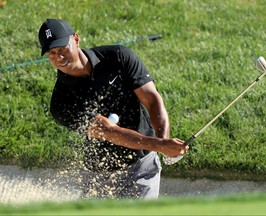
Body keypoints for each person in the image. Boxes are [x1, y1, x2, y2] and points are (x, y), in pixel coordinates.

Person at [38, 18, 189, 199]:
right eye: (51, 53)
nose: (59, 58)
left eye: (62, 49)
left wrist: (164, 141)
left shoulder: (118, 57)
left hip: (142, 167)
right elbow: (108, 131)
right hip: (98, 178)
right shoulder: (61, 103)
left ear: (76, 39)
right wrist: (160, 145)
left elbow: (151, 99)